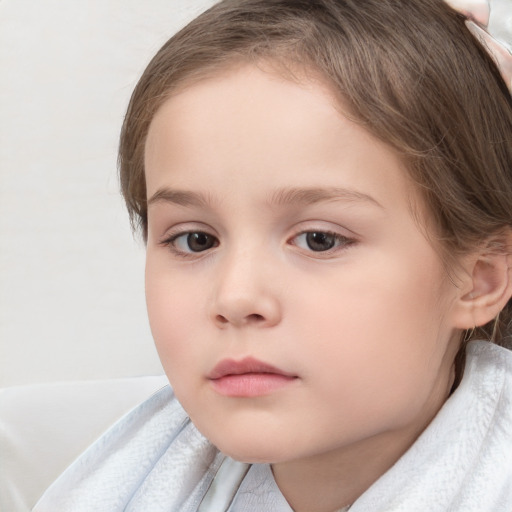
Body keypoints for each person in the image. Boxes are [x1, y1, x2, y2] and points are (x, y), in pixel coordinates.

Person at [33, 0, 512, 510]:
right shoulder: (107, 483)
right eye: (196, 239)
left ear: (479, 279)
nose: (236, 297)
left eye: (319, 239)